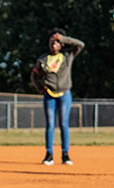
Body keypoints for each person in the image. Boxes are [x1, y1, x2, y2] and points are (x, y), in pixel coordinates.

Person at [30, 29, 84, 166]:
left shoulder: (67, 55)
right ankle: (49, 155)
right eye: (51, 40)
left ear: (62, 44)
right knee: (50, 124)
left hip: (64, 93)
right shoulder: (43, 59)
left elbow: (80, 45)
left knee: (64, 124)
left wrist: (64, 38)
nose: (54, 43)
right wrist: (40, 88)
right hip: (49, 94)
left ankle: (65, 154)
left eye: (57, 41)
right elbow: (34, 75)